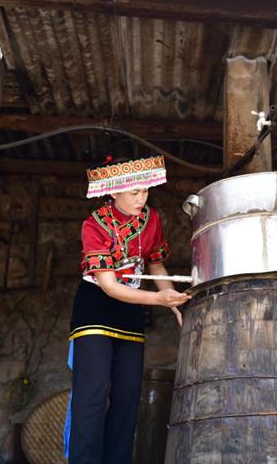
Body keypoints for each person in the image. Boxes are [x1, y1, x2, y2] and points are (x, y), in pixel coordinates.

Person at [64, 155, 191, 464]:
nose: (141, 198)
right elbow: (109, 286)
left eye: (146, 191)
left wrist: (170, 297)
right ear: (114, 192)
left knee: (127, 396)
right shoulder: (94, 225)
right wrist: (158, 301)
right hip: (96, 307)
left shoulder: (152, 219)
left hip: (131, 310)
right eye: (134, 192)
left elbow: (155, 263)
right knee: (92, 394)